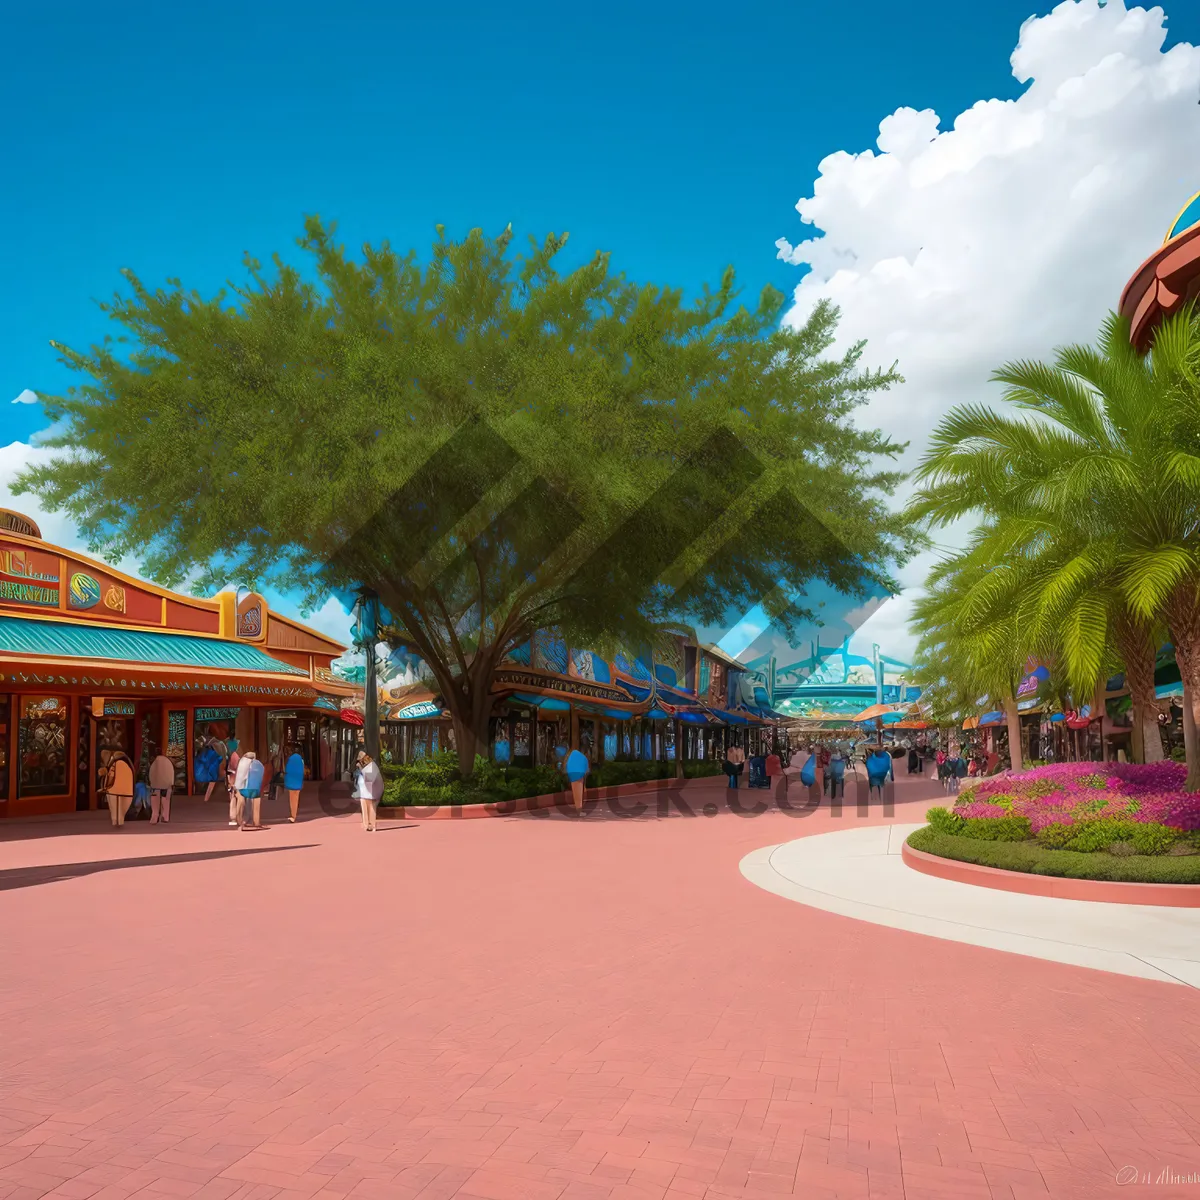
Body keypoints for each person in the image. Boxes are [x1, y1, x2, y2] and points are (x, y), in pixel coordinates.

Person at [104, 750, 135, 828]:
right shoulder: (130, 766)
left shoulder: (114, 764)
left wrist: (106, 786)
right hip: (128, 792)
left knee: (114, 808)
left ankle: (115, 821)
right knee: (122, 809)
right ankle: (120, 821)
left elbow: (111, 777)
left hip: (114, 790)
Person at [356, 750, 384, 831]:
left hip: (370, 793)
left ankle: (372, 825)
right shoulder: (365, 767)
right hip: (363, 792)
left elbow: (370, 779)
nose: (360, 762)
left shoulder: (371, 766)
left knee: (371, 809)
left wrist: (361, 769)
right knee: (364, 810)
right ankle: (366, 825)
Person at [148, 747, 175, 824]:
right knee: (166, 801)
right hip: (167, 785)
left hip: (155, 785)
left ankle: (154, 817)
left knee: (155, 802)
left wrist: (151, 783)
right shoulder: (168, 762)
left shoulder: (154, 763)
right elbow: (171, 773)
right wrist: (171, 784)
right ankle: (165, 817)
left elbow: (151, 774)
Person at [240, 751, 265, 829]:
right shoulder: (259, 764)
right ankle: (256, 822)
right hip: (257, 787)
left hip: (247, 787)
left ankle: (244, 821)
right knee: (256, 806)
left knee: (247, 805)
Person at [564, 745, 589, 815]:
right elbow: (586, 769)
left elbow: (567, 766)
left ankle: (578, 810)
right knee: (579, 794)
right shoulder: (583, 758)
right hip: (579, 774)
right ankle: (579, 811)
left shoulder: (572, 756)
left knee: (576, 793)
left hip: (572, 774)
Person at [284, 744, 306, 823]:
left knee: (291, 798)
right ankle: (294, 815)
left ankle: (293, 815)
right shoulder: (301, 760)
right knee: (296, 798)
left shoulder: (290, 759)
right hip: (298, 781)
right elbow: (303, 770)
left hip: (291, 781)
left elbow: (287, 769)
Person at [226, 739, 242, 827]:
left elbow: (231, 770)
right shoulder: (236, 756)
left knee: (233, 798)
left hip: (233, 780)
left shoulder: (233, 756)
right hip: (236, 780)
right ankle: (236, 817)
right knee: (236, 798)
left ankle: (234, 817)